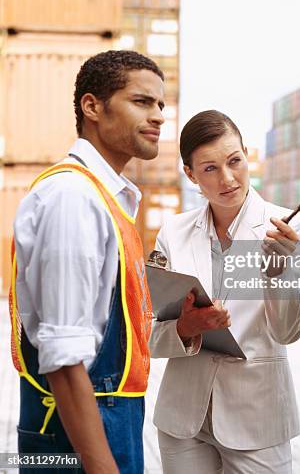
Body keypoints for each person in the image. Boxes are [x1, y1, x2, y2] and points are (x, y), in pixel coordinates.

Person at [11, 50, 165, 473]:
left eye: (160, 105)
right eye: (142, 102)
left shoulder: (103, 197)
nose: (158, 116)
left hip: (101, 423)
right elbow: (63, 355)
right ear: (92, 106)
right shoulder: (73, 199)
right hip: (78, 434)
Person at [149, 110, 300, 474]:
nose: (227, 178)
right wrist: (187, 327)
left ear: (246, 155)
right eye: (209, 169)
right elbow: (148, 334)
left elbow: (288, 332)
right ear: (190, 174)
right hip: (183, 418)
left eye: (235, 161)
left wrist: (278, 273)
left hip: (257, 415)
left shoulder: (288, 226)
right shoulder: (171, 233)